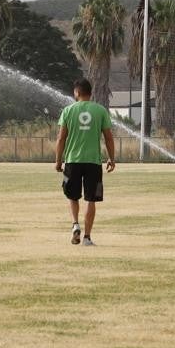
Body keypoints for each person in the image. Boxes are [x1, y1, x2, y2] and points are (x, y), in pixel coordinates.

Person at [55, 79, 116, 246]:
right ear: (91, 93)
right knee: (91, 200)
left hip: (72, 161)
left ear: (76, 93)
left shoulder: (68, 110)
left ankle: (75, 224)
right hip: (93, 162)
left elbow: (61, 138)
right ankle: (87, 238)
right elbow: (109, 138)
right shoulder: (100, 110)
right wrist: (111, 158)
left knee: (72, 196)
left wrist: (58, 161)